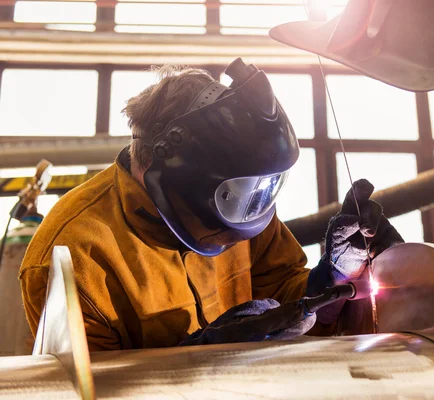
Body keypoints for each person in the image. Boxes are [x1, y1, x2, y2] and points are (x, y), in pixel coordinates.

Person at [19, 58, 404, 351]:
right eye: (231, 193)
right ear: (165, 165)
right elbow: (87, 390)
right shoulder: (70, 254)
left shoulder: (244, 202)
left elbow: (288, 298)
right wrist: (198, 359)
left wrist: (332, 280)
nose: (242, 223)